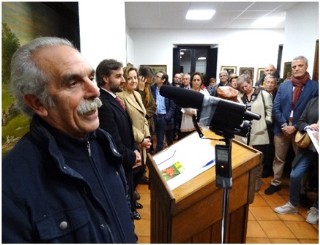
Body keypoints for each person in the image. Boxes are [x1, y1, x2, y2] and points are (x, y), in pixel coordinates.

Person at [2, 37, 136, 243]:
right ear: (38, 103)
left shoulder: (104, 143)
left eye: (91, 77)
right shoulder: (10, 183)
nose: (94, 90)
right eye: (73, 82)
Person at [264, 56, 318, 195]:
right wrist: (284, 124)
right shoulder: (284, 85)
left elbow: (312, 111)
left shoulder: (314, 87)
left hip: (301, 131)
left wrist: (295, 127)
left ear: (306, 67)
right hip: (281, 129)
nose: (296, 68)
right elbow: (276, 107)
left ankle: (301, 190)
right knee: (279, 158)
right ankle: (276, 182)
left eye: (300, 65)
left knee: (301, 160)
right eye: (294, 67)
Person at [96, 59, 142, 220]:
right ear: (105, 78)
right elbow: (113, 143)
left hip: (127, 159)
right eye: (118, 76)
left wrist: (135, 148)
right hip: (119, 165)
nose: (123, 80)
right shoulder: (103, 104)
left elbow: (127, 129)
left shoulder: (113, 99)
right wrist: (132, 155)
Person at [274, 97, 318, 225]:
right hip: (309, 146)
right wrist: (309, 127)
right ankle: (292, 204)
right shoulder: (313, 101)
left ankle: (316, 209)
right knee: (295, 174)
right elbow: (301, 121)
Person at [237, 74, 273, 191]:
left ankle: (255, 183)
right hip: (243, 132)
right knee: (244, 158)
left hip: (259, 132)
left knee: (258, 159)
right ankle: (244, 182)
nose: (245, 89)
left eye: (246, 86)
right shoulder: (239, 96)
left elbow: (269, 110)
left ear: (251, 82)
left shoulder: (264, 94)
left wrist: (266, 122)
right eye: (242, 87)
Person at [118, 67, 152, 187]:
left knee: (140, 170)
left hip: (143, 140)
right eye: (129, 78)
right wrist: (141, 139)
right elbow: (126, 124)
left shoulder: (137, 94)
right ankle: (132, 198)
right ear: (124, 80)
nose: (133, 81)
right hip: (133, 140)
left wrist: (147, 136)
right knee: (132, 174)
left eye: (135, 77)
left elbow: (143, 118)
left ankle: (134, 196)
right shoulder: (120, 96)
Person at [151, 72, 176, 152]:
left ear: (163, 80)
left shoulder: (169, 89)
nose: (155, 77)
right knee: (159, 140)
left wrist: (166, 118)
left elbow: (173, 106)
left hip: (165, 117)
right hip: (156, 117)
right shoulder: (152, 88)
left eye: (158, 76)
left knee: (170, 141)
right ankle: (158, 159)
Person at [180, 72, 209, 139]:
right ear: (191, 81)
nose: (196, 82)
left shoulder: (205, 93)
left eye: (198, 80)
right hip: (188, 121)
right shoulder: (186, 93)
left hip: (201, 123)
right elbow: (184, 107)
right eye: (194, 80)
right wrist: (197, 112)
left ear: (201, 81)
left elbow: (208, 107)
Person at [137, 66, 156, 158]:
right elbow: (139, 107)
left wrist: (145, 114)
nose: (151, 80)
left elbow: (153, 105)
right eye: (150, 77)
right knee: (142, 152)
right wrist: (140, 90)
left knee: (148, 149)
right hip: (140, 126)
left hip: (149, 123)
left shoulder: (147, 86)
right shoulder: (136, 88)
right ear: (142, 77)